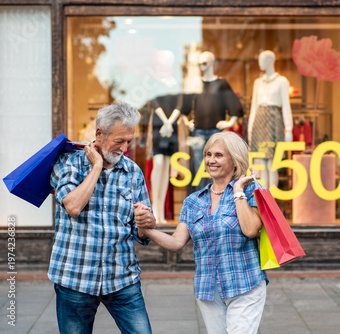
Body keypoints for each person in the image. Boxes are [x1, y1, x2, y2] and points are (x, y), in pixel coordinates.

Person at [140, 131, 268, 334]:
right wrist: (146, 230)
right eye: (208, 154)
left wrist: (238, 191)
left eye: (218, 155)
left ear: (235, 161)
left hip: (245, 284)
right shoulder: (193, 201)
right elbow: (176, 243)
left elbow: (251, 229)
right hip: (208, 290)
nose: (211, 160)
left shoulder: (250, 190)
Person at [49, 101, 156, 333]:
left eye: (129, 141)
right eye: (120, 141)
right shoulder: (69, 163)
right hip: (76, 278)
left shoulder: (133, 171)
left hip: (122, 278)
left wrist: (145, 222)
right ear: (99, 133)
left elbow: (143, 230)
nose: (125, 148)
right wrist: (97, 166)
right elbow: (73, 207)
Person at [186, 51, 244, 193]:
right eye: (199, 64)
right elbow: (183, 106)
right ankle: (201, 202)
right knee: (199, 168)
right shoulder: (196, 84)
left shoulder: (221, 83)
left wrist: (230, 122)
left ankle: (219, 199)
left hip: (216, 133)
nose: (201, 67)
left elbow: (236, 106)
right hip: (198, 131)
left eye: (204, 63)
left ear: (212, 63)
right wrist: (187, 121)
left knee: (218, 168)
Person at [248, 50, 293, 188]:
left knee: (272, 164)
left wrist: (289, 128)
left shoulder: (282, 81)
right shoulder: (257, 83)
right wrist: (250, 129)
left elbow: (286, 105)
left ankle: (272, 198)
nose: (260, 63)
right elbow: (254, 106)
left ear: (271, 61)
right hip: (260, 121)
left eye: (263, 59)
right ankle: (264, 199)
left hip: (274, 120)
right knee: (261, 162)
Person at [149, 94, 182, 224]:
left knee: (167, 165)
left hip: (172, 125)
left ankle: (161, 210)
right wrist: (165, 122)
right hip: (159, 124)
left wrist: (169, 123)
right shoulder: (157, 81)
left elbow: (180, 104)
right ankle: (155, 208)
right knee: (158, 163)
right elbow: (153, 101)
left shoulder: (176, 83)